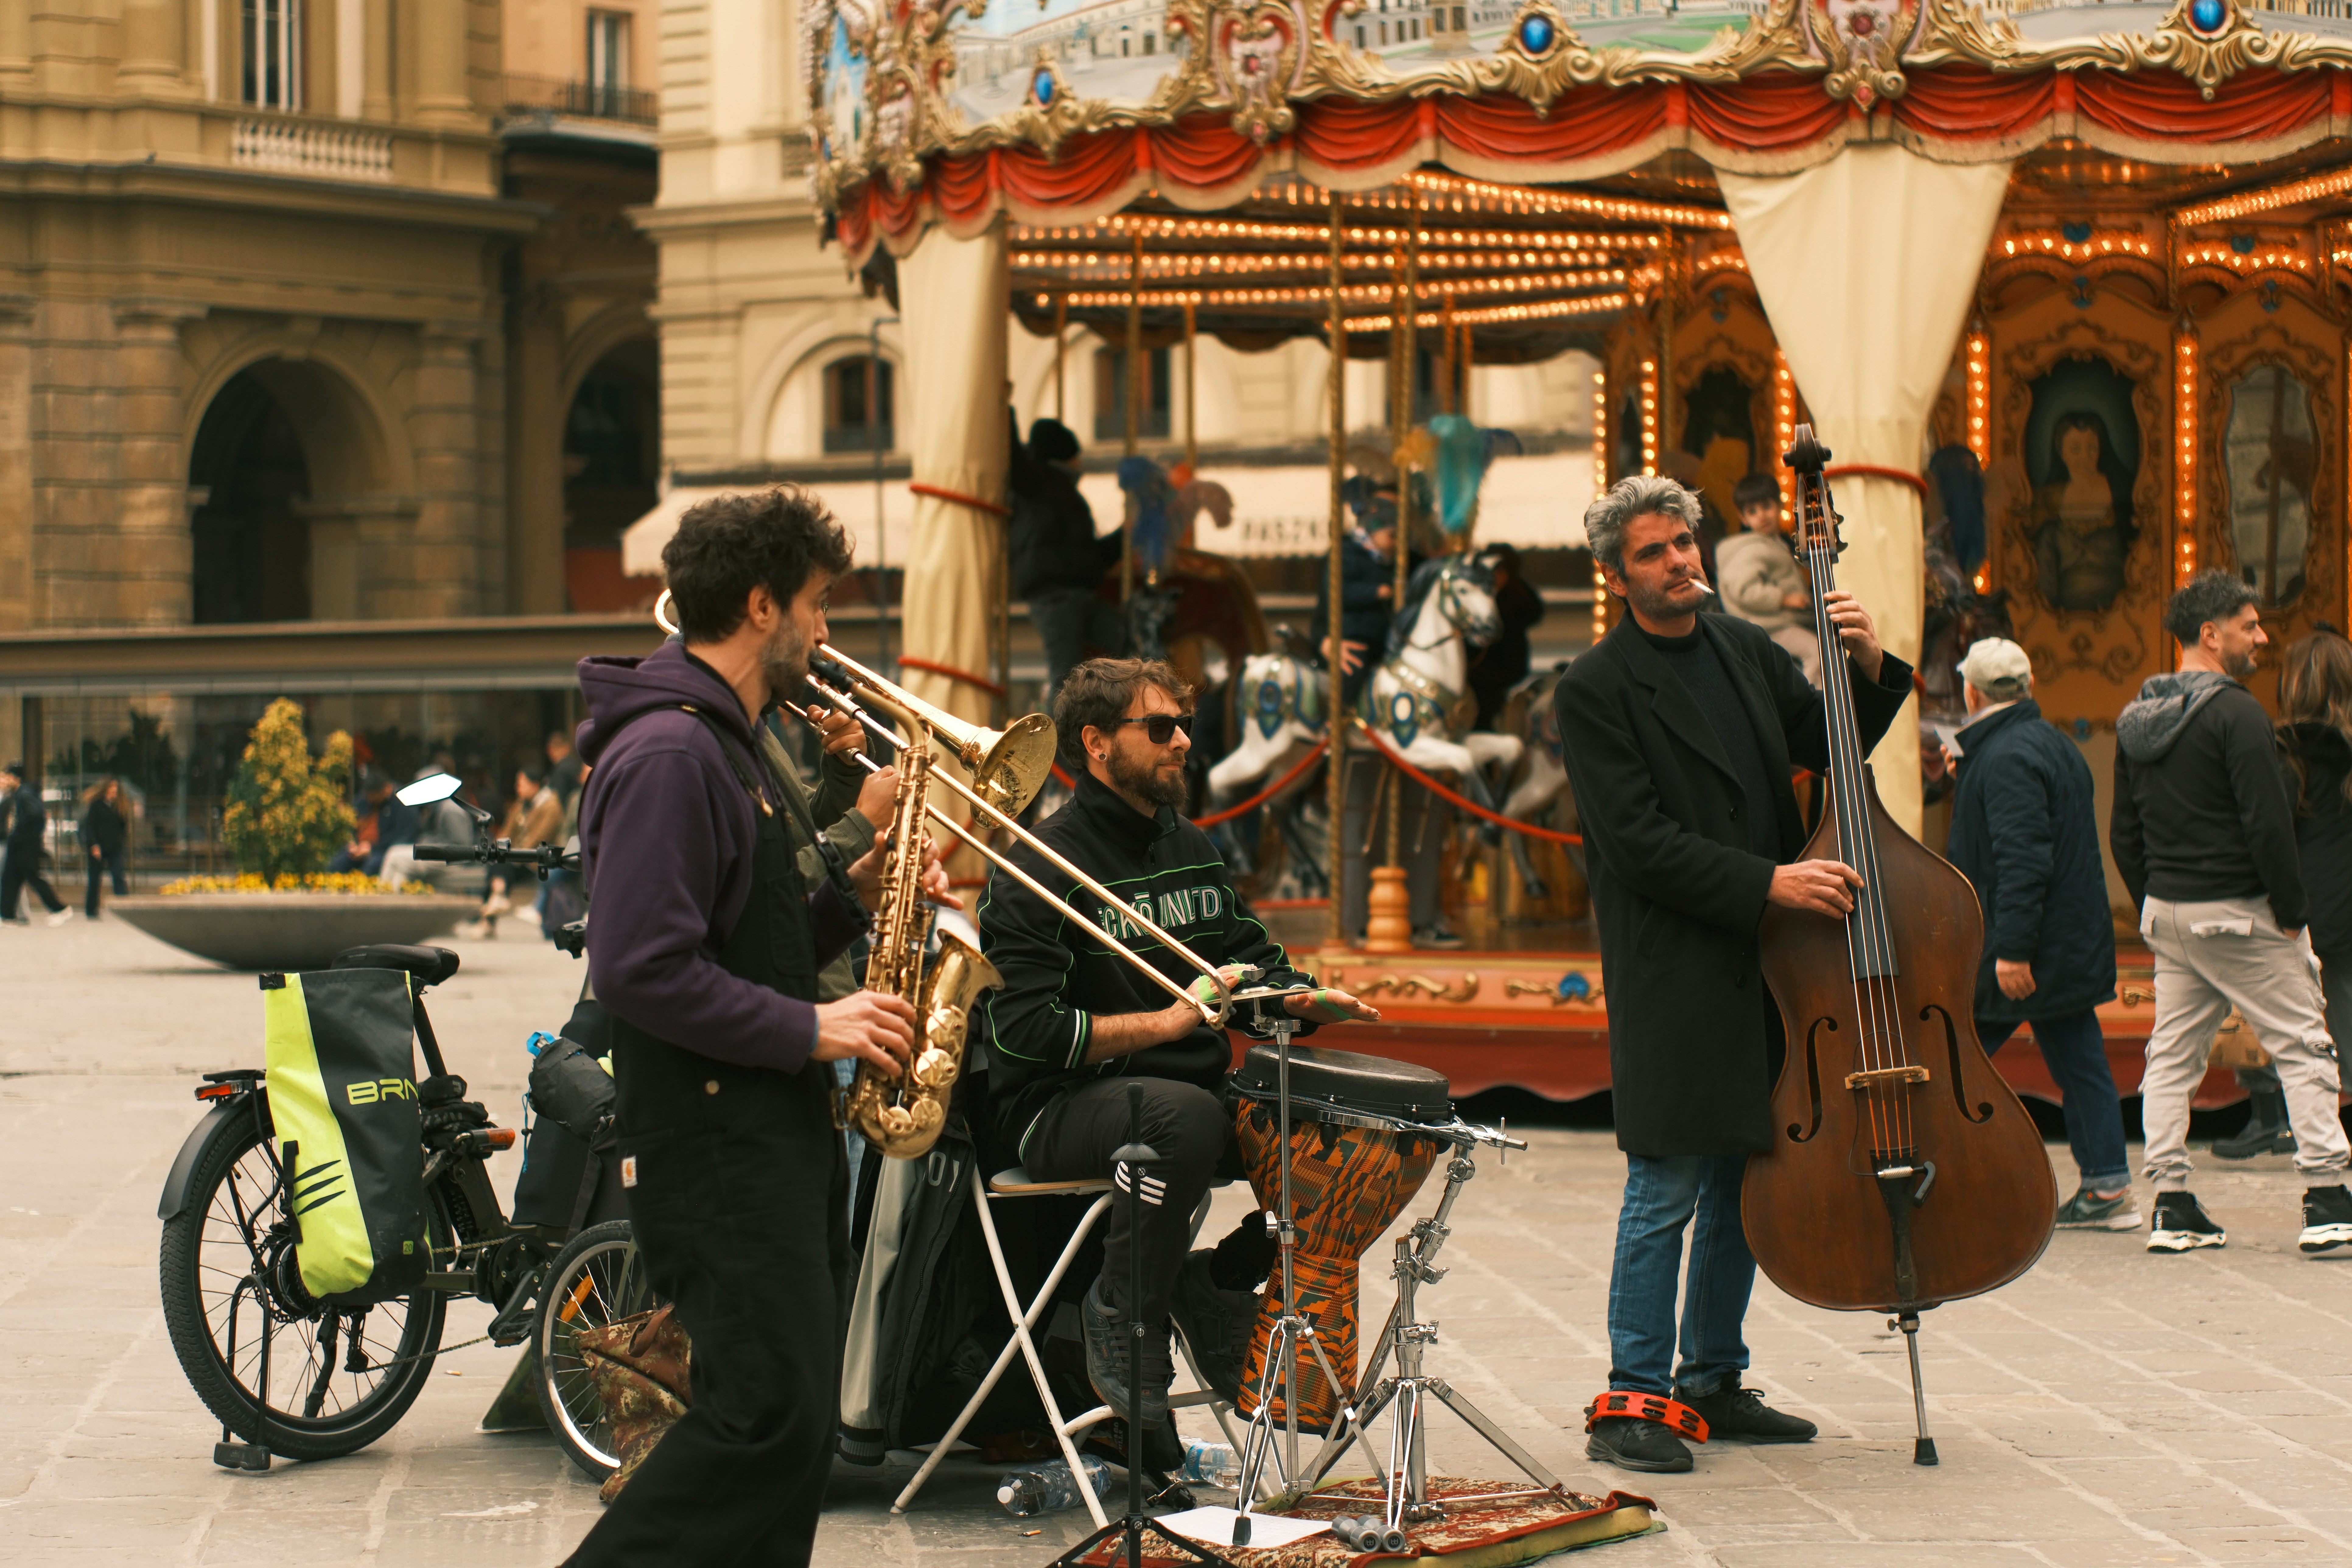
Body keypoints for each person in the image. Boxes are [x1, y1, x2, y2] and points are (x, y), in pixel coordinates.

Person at [564, 486, 952, 1567]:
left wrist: (854, 898)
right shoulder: (675, 757)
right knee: (765, 1421)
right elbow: (640, 968)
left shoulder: (723, 748)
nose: (826, 632)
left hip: (756, 1130)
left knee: (788, 1429)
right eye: (817, 604)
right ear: (758, 604)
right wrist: (814, 1027)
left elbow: (740, 940)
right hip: (715, 1141)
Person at [1553, 475, 1914, 1474]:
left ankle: (1711, 1376)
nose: (1678, 562)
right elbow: (1637, 845)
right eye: (1653, 553)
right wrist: (1770, 881)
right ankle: (1631, 1396)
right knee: (1665, 1181)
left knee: (1743, 1179)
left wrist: (1865, 663)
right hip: (1674, 966)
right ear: (1614, 576)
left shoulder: (1745, 650)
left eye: (1684, 543)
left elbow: (1829, 745)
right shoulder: (1592, 689)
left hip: (1767, 960)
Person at [977, 656, 1381, 1429]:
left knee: (1341, 1110)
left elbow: (1249, 957)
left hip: (1179, 1098)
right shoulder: (1038, 865)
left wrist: (1296, 997)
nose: (1184, 743)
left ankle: (1222, 1278)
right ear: (1096, 743)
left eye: (1185, 727)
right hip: (1056, 1106)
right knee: (1186, 1119)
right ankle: (1126, 1311)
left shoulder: (1188, 843)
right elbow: (1022, 1036)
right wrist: (1167, 1023)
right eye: (1160, 728)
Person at [2110, 572, 2351, 1256]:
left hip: (2172, 914)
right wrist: (2292, 911)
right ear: (2211, 634)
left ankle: (2171, 1201)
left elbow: (2123, 833)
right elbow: (2267, 823)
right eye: (2249, 625)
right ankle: (2329, 1196)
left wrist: (2159, 897)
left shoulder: (2137, 716)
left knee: (2170, 1058)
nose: (2262, 636)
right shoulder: (2238, 713)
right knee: (2305, 1047)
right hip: (2243, 913)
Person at [1942, 638, 2133, 1229]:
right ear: (2027, 689)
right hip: (2064, 943)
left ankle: (1929, 1172)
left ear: (1973, 692)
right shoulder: (2046, 744)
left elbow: (2022, 859)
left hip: (2027, 950)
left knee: (1957, 1058)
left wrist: (2013, 951)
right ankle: (2107, 1186)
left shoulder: (2005, 758)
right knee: (2080, 1062)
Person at [2220, 627, 2352, 1158]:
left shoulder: (2284, 750)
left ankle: (2269, 1114)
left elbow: (2265, 828)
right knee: (2343, 1001)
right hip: (2346, 896)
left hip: (2297, 897)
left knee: (2269, 1005)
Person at [1010, 415, 1126, 698]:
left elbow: (1089, 556)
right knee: (1065, 678)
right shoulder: (1035, 482)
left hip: (1076, 595)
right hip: (1057, 598)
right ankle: (1058, 742)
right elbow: (1013, 457)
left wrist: (1126, 534)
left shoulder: (1061, 493)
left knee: (1125, 646)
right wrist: (1007, 411)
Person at [1713, 474, 1821, 686]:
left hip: (1781, 623)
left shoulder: (1775, 544)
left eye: (1766, 506)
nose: (1762, 516)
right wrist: (1784, 599)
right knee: (1815, 652)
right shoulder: (1752, 549)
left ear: (1779, 505)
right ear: (1743, 519)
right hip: (1769, 627)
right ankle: (1812, 705)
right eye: (1753, 512)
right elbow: (1743, 590)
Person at [472, 765, 563, 936]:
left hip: (539, 860)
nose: (518, 788)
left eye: (522, 784)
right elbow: (507, 831)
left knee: (502, 865)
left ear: (535, 785)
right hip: (518, 859)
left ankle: (488, 919)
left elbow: (538, 839)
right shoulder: (522, 805)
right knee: (497, 862)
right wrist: (497, 850)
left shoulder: (551, 806)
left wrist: (513, 854)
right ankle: (497, 898)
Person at [1468, 542, 1547, 731]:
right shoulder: (1479, 595)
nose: (1496, 578)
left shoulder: (1516, 597)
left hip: (1505, 666)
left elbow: (1531, 614)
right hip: (1481, 666)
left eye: (1501, 573)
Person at [0, 763, 71, 926]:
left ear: (16, 778)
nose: (7, 780)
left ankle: (60, 909)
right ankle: (7, 915)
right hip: (22, 842)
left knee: (33, 877)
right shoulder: (23, 792)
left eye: (9, 776)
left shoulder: (24, 793)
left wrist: (18, 831)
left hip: (25, 843)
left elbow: (34, 815)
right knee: (11, 877)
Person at [81, 778, 131, 919]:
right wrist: (94, 845)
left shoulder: (119, 807)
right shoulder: (96, 806)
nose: (114, 792)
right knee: (95, 879)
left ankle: (125, 908)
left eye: (116, 789)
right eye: (111, 789)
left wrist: (121, 842)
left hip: (115, 847)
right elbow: (90, 827)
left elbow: (123, 827)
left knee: (118, 875)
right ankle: (91, 910)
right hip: (98, 847)